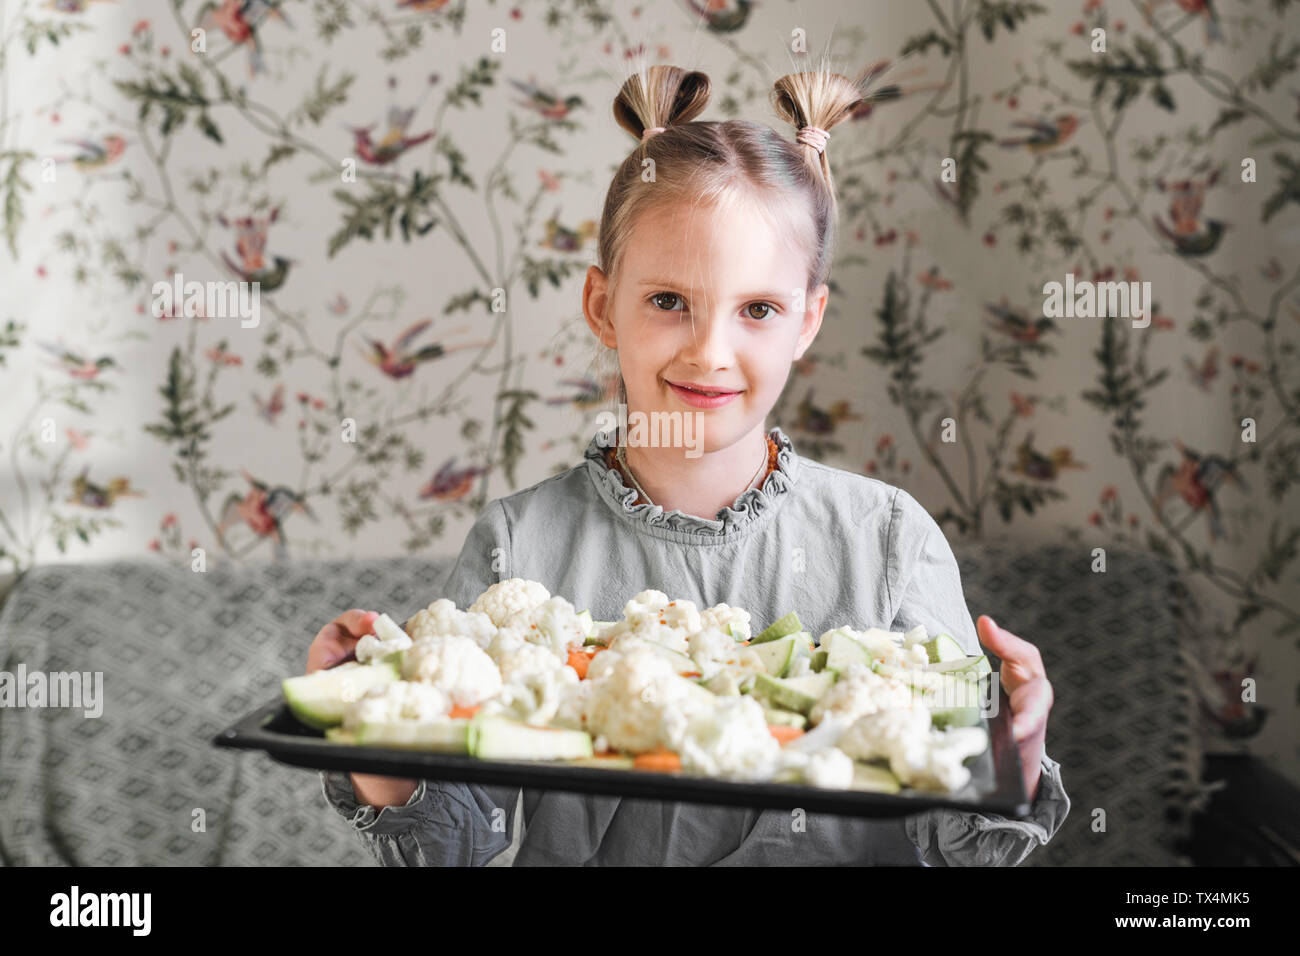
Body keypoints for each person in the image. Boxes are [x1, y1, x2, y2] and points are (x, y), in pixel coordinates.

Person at [307, 63, 1070, 865]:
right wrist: (374, 742)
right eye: (669, 301)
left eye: (758, 309)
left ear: (807, 321)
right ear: (603, 306)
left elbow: (962, 847)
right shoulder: (518, 544)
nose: (710, 353)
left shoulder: (888, 541)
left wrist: (1010, 755)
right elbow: (455, 843)